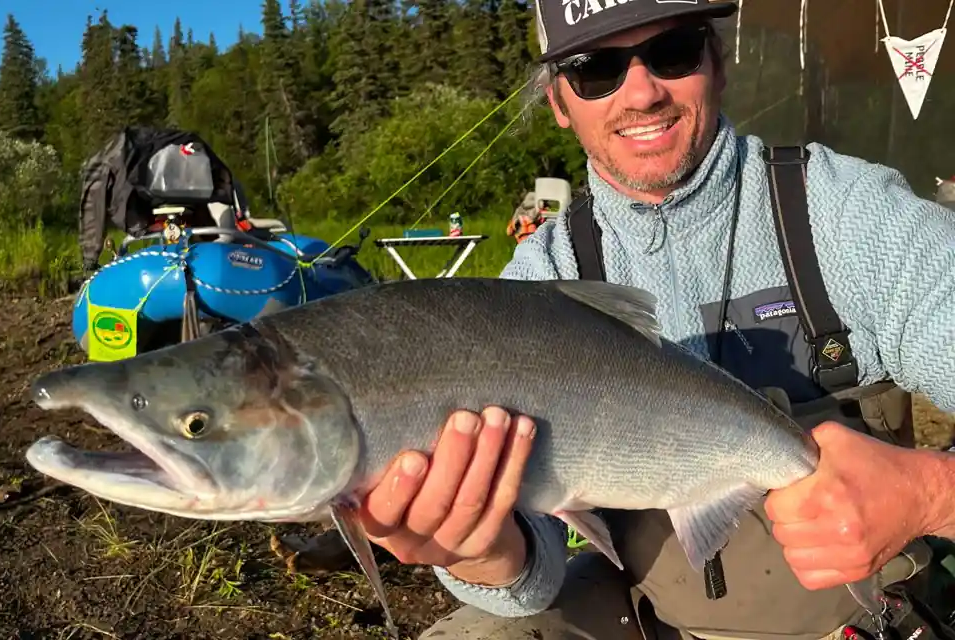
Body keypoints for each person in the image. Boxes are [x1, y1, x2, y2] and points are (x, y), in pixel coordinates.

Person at [354, 1, 955, 638]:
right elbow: (529, 579)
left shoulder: (848, 215)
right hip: (654, 615)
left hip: (864, 617)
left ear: (717, 63)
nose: (641, 92)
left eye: (672, 51)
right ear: (559, 101)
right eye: (595, 69)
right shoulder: (537, 282)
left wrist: (930, 494)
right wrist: (480, 547)